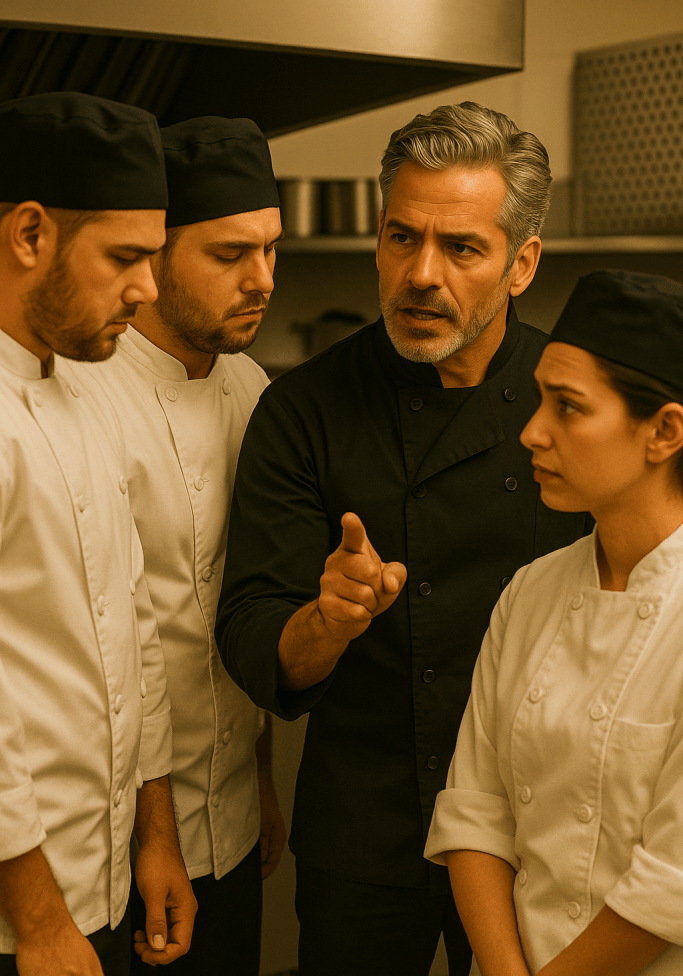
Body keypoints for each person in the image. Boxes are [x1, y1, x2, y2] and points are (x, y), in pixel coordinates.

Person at [216, 101, 590, 975]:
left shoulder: (569, 402)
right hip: (365, 830)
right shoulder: (301, 408)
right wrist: (327, 620)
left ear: (521, 263)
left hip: (538, 827)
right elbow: (250, 639)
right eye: (399, 237)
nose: (421, 274)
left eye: (461, 248)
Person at [61, 116, 286, 976]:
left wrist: (258, 775)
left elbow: (245, 599)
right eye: (228, 255)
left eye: (270, 250)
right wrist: (159, 831)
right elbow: (127, 638)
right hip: (120, 837)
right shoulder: (82, 392)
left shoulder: (254, 389)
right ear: (152, 257)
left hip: (230, 814)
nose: (260, 280)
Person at [425, 269, 683, 976]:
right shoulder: (531, 591)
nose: (531, 432)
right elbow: (474, 810)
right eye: (539, 397)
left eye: (566, 407)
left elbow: (671, 885)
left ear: (663, 431)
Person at [0, 92, 196, 976]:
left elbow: (134, 631)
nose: (149, 289)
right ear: (30, 234)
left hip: (105, 884)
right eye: (126, 257)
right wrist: (38, 920)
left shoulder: (85, 395)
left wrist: (156, 833)